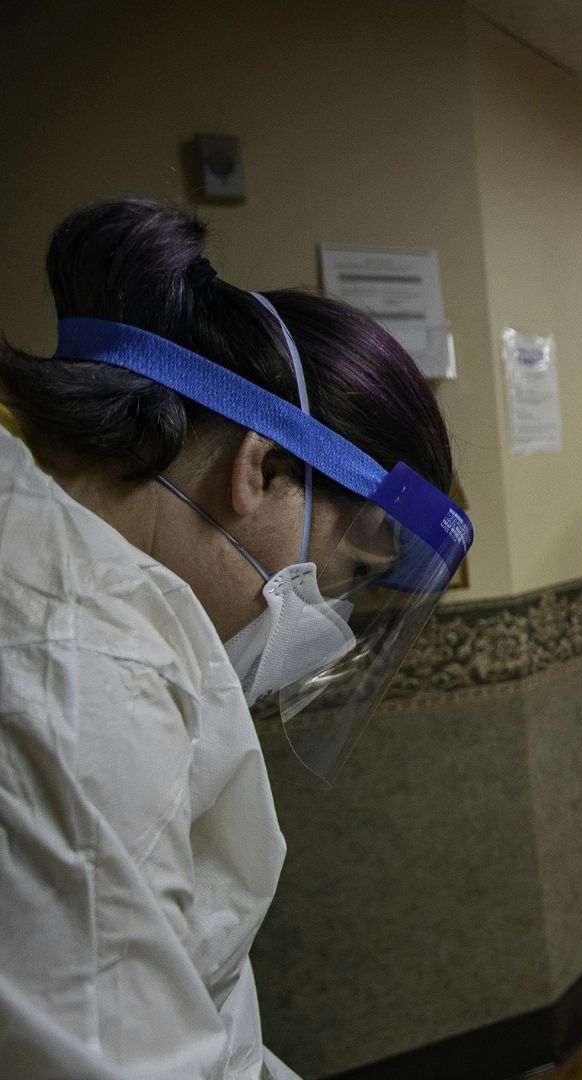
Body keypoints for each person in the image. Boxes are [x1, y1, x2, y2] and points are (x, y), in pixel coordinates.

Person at [0, 200, 472, 1077]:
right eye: (349, 572)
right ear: (258, 470)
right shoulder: (81, 674)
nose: (328, 623)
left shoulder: (61, 560)